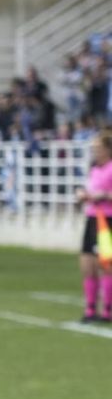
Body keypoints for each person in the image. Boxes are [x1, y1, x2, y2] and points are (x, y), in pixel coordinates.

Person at [74, 130, 112, 322]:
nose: (95, 151)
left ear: (107, 149)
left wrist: (103, 195)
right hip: (92, 219)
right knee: (87, 264)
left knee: (105, 265)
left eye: (98, 147)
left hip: (107, 221)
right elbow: (90, 190)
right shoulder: (94, 168)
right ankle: (90, 309)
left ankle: (108, 310)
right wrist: (83, 196)